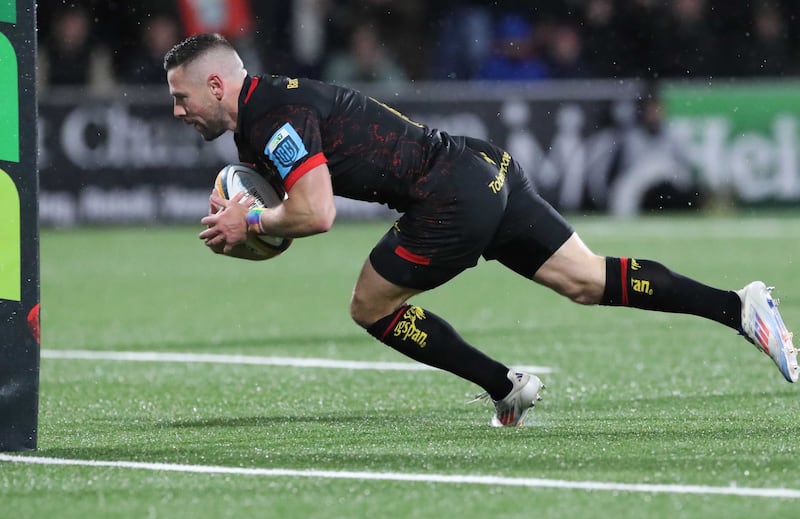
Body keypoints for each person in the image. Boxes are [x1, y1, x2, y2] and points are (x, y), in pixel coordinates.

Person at [163, 33, 798, 427]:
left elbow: (314, 213)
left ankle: (506, 387)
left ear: (216, 84)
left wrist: (251, 221)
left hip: (449, 196)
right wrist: (255, 222)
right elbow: (291, 206)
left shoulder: (273, 115)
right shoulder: (265, 111)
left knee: (370, 305)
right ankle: (739, 307)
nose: (177, 110)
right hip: (482, 166)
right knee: (587, 279)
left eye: (181, 97)